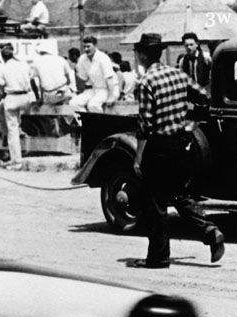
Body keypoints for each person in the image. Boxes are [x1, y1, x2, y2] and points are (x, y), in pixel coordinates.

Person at [130, 33, 223, 268]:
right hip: (182, 143)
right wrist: (193, 123)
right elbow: (204, 96)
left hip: (159, 147)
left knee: (155, 203)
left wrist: (138, 158)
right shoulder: (177, 74)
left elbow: (145, 125)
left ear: (142, 55)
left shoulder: (146, 82)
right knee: (179, 194)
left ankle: (158, 257)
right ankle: (209, 230)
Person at [0, 42, 34, 170]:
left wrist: (1, 95)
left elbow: (1, 89)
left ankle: (16, 162)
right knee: (1, 109)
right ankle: (10, 132)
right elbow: (32, 81)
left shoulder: (3, 67)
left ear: (3, 56)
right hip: (26, 97)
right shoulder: (23, 64)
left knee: (12, 131)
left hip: (12, 98)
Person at [71, 36, 118, 113]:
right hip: (95, 89)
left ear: (95, 46)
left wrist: (111, 96)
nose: (86, 49)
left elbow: (109, 78)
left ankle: (100, 121)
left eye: (88, 46)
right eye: (84, 47)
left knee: (92, 105)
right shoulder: (82, 59)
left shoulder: (103, 58)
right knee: (73, 103)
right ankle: (86, 120)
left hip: (109, 89)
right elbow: (83, 79)